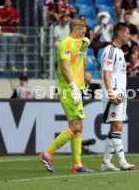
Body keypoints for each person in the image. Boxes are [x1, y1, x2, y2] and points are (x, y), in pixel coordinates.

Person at [39, 19, 93, 173]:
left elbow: (81, 66)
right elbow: (64, 68)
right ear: (76, 28)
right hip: (68, 89)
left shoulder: (79, 43)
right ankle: (47, 154)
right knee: (75, 126)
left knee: (79, 127)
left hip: (77, 89)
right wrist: (73, 88)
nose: (85, 33)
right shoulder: (65, 43)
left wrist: (85, 50)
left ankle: (77, 165)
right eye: (83, 30)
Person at [100, 22, 135, 171]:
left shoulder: (120, 52)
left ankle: (106, 162)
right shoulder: (110, 50)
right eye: (127, 33)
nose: (129, 35)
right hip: (113, 92)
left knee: (116, 128)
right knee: (118, 126)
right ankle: (122, 161)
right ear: (119, 33)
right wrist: (111, 93)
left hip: (121, 92)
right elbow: (106, 74)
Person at [0, 0, 20, 73]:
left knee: (12, 50)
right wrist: (8, 18)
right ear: (4, 2)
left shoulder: (14, 11)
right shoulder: (1, 11)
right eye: (6, 1)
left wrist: (14, 21)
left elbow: (18, 20)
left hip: (12, 33)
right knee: (3, 50)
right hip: (4, 33)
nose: (8, 2)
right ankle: (2, 67)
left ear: (11, 2)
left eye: (9, 1)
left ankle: (12, 66)